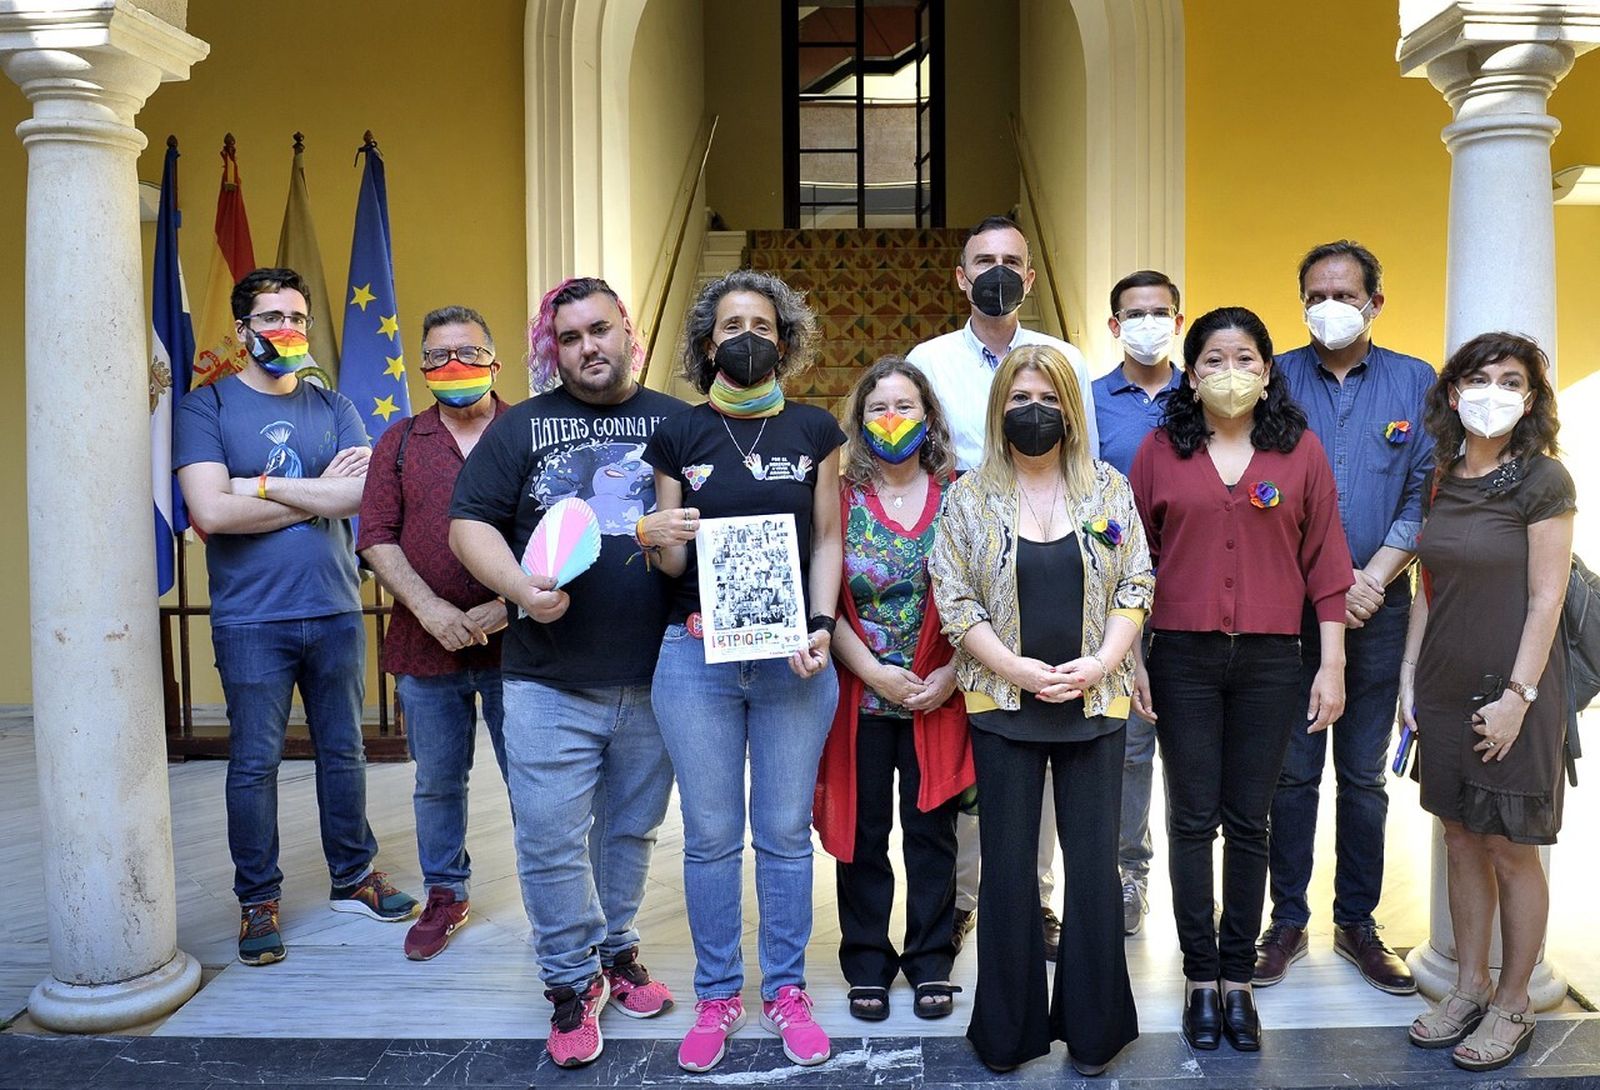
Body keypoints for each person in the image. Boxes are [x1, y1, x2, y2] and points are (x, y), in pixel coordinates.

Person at [449, 277, 687, 1068]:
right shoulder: (520, 428)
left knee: (630, 831)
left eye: (601, 330)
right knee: (550, 839)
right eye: (572, 336)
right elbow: (468, 524)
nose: (588, 346)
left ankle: (615, 953)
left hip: (658, 678)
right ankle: (567, 983)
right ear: (555, 348)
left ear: (630, 333)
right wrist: (519, 591)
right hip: (546, 678)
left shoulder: (679, 424)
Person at [174, 267, 417, 968]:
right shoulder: (206, 407)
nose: (288, 329)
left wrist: (261, 484)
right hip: (252, 620)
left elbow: (360, 498)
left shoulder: (334, 403)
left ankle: (353, 876)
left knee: (344, 751)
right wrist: (317, 491)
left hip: (336, 607)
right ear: (244, 331)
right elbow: (213, 513)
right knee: (254, 763)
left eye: (298, 318)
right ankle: (258, 899)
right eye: (272, 317)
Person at [1130, 307, 1351, 1053]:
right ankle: (1198, 975)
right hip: (1182, 658)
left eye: (1245, 357)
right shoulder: (1160, 451)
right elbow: (1133, 566)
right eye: (1214, 359)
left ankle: (1238, 979)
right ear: (1191, 376)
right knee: (1192, 820)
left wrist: (1332, 664)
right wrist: (1132, 659)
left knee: (1250, 822)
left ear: (1266, 370)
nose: (1231, 371)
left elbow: (1327, 566)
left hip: (1269, 662)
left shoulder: (1301, 453)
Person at [643, 270, 845, 1073]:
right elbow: (669, 563)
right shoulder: (679, 435)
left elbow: (827, 541)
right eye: (731, 325)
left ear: (784, 340)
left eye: (760, 323)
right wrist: (653, 532)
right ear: (707, 344)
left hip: (795, 657)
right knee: (713, 837)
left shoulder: (815, 431)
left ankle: (787, 990)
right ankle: (719, 993)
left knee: (787, 836)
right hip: (696, 660)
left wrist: (824, 627)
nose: (746, 336)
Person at [930, 344, 1151, 1076]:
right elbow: (955, 601)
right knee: (1008, 874)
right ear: (1000, 410)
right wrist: (1016, 668)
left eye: (1049, 399)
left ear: (1070, 410)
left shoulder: (1107, 490)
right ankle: (1007, 1031)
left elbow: (1135, 586)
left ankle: (1096, 1032)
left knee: (1092, 873)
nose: (1035, 412)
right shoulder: (967, 497)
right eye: (1021, 399)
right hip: (1002, 704)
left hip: (1094, 700)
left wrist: (1102, 660)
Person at [908, 213, 1097, 958]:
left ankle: (1038, 900)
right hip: (962, 567)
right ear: (961, 277)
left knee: (1045, 726)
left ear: (1029, 276)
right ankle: (962, 900)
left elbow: (1085, 464)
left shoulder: (1062, 359)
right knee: (968, 741)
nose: (996, 271)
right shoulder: (927, 361)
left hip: (1049, 565)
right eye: (981, 260)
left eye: (1010, 261)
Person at [1258, 241, 1435, 995]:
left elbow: (1426, 488)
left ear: (1375, 302)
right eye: (1315, 293)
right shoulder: (1274, 378)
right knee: (1292, 775)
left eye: (1344, 292)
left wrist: (1370, 578)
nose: (1329, 305)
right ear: (1300, 302)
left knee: (1364, 777)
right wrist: (1323, 585)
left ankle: (1357, 923)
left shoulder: (1415, 382)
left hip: (1381, 604)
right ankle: (1287, 920)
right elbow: (1258, 480)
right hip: (1292, 610)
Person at [1399, 332, 1574, 1073]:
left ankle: (1513, 1000)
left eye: (1510, 381)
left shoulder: (1543, 480)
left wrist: (1518, 698)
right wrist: (1409, 677)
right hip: (1439, 685)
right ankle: (1468, 985)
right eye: (1478, 378)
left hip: (1517, 692)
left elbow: (1546, 598)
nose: (1492, 392)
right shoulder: (1441, 475)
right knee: (1461, 837)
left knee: (1510, 847)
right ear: (1451, 392)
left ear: (1529, 400)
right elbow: (1426, 583)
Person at [813, 356, 972, 1025]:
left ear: (928, 416)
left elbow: (989, 594)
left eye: (905, 407)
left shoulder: (963, 493)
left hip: (942, 691)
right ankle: (867, 960)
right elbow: (823, 593)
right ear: (860, 420)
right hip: (862, 693)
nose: (891, 420)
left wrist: (953, 673)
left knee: (933, 833)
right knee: (865, 831)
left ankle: (932, 958)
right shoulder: (839, 495)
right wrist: (874, 672)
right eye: (878, 408)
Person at [356, 305, 510, 962]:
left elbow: (565, 532)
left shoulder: (528, 433)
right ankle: (446, 892)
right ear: (421, 368)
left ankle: (559, 899)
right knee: (438, 781)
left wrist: (507, 605)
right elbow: (376, 537)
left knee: (535, 779)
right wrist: (431, 610)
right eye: (441, 355)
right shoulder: (398, 443)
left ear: (495, 362)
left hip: (523, 646)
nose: (456, 366)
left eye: (470, 353)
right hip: (426, 645)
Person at [1090, 269, 1185, 937]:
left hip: (1199, 598)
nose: (1149, 322)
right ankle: (1128, 878)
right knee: (1128, 749)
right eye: (1135, 313)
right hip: (1116, 604)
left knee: (1198, 750)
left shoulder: (1207, 396)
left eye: (1161, 311)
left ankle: (1198, 886)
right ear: (1115, 326)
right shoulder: (1092, 401)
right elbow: (1081, 495)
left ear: (1179, 320)